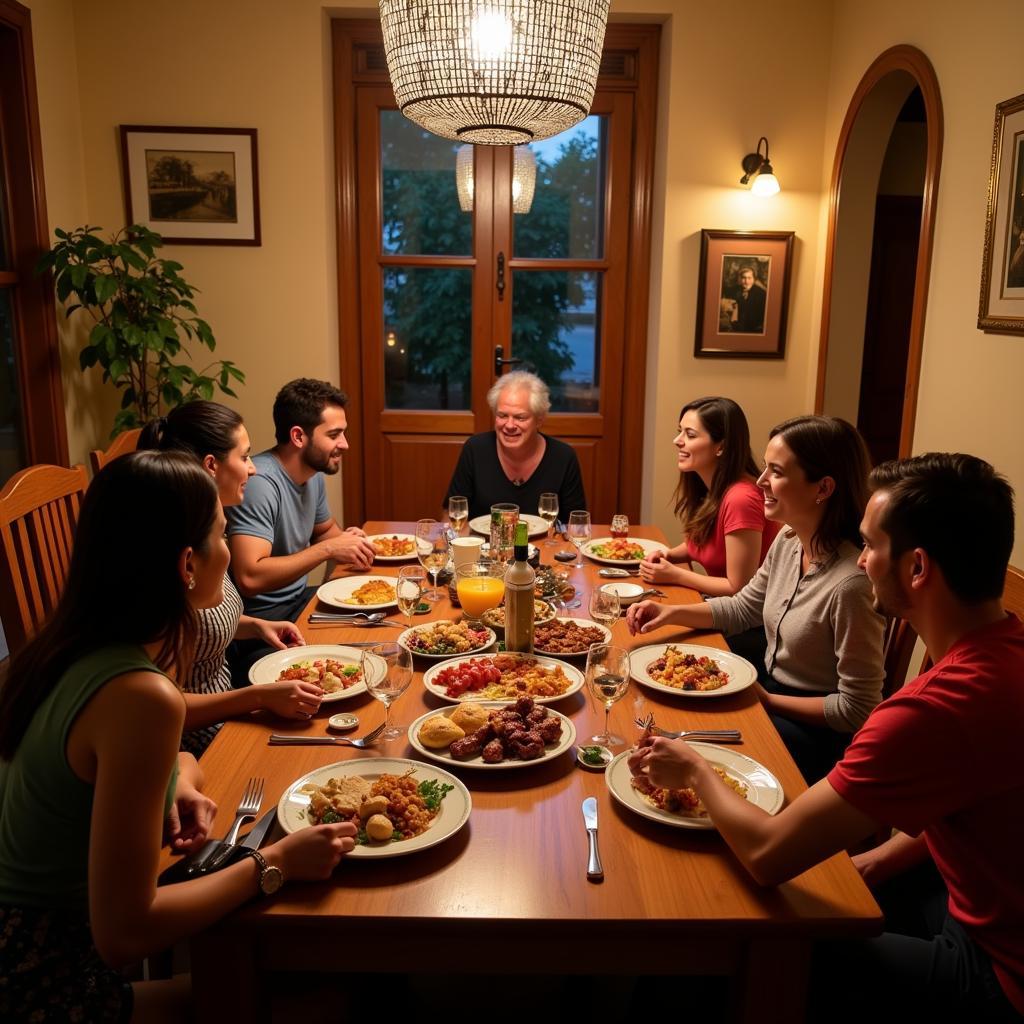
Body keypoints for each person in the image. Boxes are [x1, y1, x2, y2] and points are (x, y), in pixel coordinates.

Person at [629, 452, 1024, 1022]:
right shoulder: (1000, 651)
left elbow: (767, 854)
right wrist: (877, 862)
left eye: (868, 546)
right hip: (973, 898)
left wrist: (692, 770)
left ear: (916, 568)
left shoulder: (929, 710)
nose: (859, 562)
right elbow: (961, 794)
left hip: (996, 974)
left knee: (719, 933)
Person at [0, 451, 355, 1022]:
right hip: (48, 981)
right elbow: (126, 931)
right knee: (328, 996)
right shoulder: (140, 692)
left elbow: (141, 760)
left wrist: (179, 781)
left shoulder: (73, 648)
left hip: (29, 945)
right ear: (187, 562)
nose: (228, 547)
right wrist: (276, 863)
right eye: (222, 533)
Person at [627, 415, 885, 784]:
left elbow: (858, 709)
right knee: (661, 724)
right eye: (764, 467)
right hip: (769, 694)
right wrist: (670, 612)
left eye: (776, 472)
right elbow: (744, 606)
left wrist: (766, 700)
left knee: (680, 757)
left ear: (823, 488)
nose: (761, 481)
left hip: (814, 733)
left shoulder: (850, 585)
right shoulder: (789, 540)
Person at [140, 401, 324, 756]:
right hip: (199, 742)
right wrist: (255, 697)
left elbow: (202, 622)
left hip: (231, 712)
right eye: (245, 456)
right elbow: (164, 709)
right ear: (211, 465)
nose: (253, 469)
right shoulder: (173, 557)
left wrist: (255, 626)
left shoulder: (203, 532)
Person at [226, 378, 375, 623]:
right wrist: (329, 549)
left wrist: (351, 544)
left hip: (300, 602)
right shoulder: (259, 483)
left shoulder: (312, 475)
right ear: (298, 436)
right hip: (265, 622)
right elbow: (250, 578)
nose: (345, 444)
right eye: (334, 434)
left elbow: (325, 531)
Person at [639, 396, 780, 596]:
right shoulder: (715, 487)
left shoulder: (741, 499)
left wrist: (675, 575)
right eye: (680, 432)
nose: (677, 441)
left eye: (690, 435)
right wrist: (668, 555)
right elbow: (707, 544)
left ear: (720, 446)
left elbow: (739, 588)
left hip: (746, 621)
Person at [443, 370, 586, 520]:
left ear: (539, 420)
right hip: (485, 543)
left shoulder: (563, 457)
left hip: (543, 543)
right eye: (502, 415)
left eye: (520, 417)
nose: (509, 425)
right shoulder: (475, 449)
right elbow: (451, 514)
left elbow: (576, 524)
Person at [730, 265, 767, 333]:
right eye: (744, 278)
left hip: (754, 329)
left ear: (754, 279)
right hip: (737, 327)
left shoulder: (761, 294)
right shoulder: (735, 290)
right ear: (740, 279)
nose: (746, 281)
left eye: (749, 278)